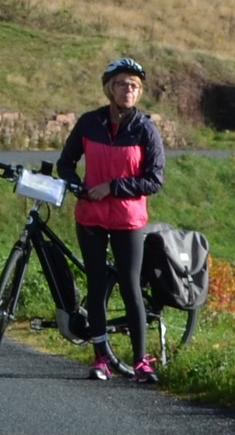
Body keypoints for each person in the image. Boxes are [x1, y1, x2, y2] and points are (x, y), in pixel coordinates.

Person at [58, 56, 166, 383]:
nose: (128, 91)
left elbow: (154, 179)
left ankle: (140, 361)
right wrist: (76, 185)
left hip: (128, 219)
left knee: (131, 287)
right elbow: (66, 162)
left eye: (134, 86)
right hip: (90, 216)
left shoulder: (145, 129)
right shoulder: (89, 123)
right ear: (109, 88)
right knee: (96, 285)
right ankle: (101, 358)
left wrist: (113, 187)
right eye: (122, 84)